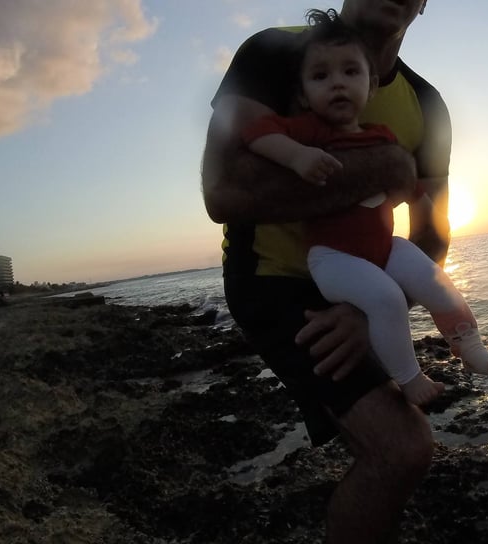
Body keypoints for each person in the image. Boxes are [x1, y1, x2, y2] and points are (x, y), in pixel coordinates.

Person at [201, 1, 451, 541]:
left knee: (393, 450)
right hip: (273, 281)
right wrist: (382, 167)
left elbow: (431, 233)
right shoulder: (272, 52)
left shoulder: (426, 105)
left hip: (363, 289)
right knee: (401, 448)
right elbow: (224, 191)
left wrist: (369, 315)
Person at [242, 8, 488, 407]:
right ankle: (409, 378)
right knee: (385, 299)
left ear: (370, 89)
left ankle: (470, 347)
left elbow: (408, 182)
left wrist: (416, 195)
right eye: (320, 77)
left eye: (351, 73)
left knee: (437, 281)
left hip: (383, 247)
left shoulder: (382, 133)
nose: (337, 85)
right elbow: (254, 131)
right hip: (332, 259)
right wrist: (296, 156)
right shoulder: (310, 130)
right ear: (303, 95)